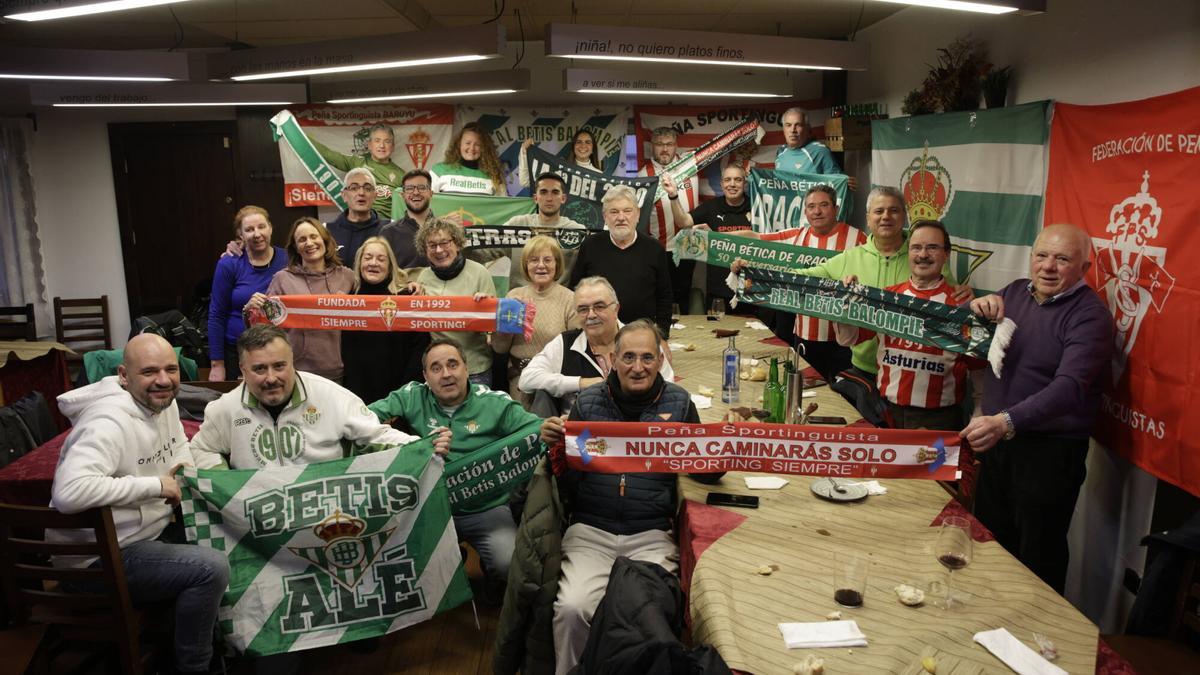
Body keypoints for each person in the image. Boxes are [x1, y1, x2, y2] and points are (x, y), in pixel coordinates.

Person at [536, 320, 720, 675]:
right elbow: (568, 478)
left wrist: (720, 447)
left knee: (647, 620)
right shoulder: (587, 403)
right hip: (591, 531)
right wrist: (555, 447)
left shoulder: (679, 402)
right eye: (629, 357)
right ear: (613, 360)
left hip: (650, 534)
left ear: (661, 358)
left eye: (648, 357)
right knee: (572, 610)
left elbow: (704, 469)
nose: (639, 367)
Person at [50, 334, 229, 675]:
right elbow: (68, 492)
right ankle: (194, 667)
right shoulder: (106, 423)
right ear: (123, 375)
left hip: (144, 537)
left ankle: (198, 644)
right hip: (97, 561)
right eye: (149, 371)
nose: (163, 380)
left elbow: (178, 449)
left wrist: (188, 470)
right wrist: (154, 485)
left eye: (170, 369)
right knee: (211, 568)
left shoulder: (163, 401)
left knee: (223, 534)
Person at [961, 223, 1113, 593]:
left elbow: (1069, 388)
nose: (1048, 266)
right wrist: (975, 310)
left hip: (1048, 454)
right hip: (999, 444)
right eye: (1041, 255)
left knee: (1036, 558)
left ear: (1084, 269)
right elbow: (972, 342)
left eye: (1062, 259)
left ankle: (1036, 643)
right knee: (991, 543)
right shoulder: (1014, 292)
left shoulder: (1090, 316)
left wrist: (1004, 421)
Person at [367, 339, 542, 595]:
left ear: (466, 368)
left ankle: (490, 573)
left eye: (453, 365)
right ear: (425, 376)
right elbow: (364, 420)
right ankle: (449, 556)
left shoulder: (495, 402)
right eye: (436, 368)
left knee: (508, 564)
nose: (446, 374)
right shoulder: (412, 395)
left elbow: (536, 431)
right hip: (430, 507)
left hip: (487, 508)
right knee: (401, 565)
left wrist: (555, 427)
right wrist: (414, 444)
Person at [190, 324, 445, 470]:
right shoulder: (224, 409)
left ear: (292, 362)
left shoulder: (331, 396)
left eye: (279, 366)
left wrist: (421, 445)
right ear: (243, 371)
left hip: (324, 517)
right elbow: (202, 449)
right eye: (259, 369)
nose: (271, 378)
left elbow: (376, 437)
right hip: (257, 524)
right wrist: (225, 481)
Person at [835, 220, 984, 430]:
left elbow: (979, 369)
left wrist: (979, 411)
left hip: (939, 420)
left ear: (946, 254)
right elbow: (848, 339)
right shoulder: (887, 297)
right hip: (886, 412)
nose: (923, 255)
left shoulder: (961, 306)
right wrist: (846, 304)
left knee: (931, 465)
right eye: (916, 247)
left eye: (932, 247)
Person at [729, 185, 867, 382]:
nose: (817, 211)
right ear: (805, 211)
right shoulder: (796, 236)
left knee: (844, 395)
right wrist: (711, 236)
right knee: (809, 391)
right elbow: (756, 238)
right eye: (811, 206)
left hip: (845, 339)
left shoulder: (858, 239)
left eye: (823, 205)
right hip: (806, 335)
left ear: (836, 209)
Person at [519, 277, 674, 415]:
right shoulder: (565, 344)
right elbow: (527, 379)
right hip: (579, 434)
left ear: (616, 309)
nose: (591, 315)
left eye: (599, 306)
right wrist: (580, 383)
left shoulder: (642, 340)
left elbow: (669, 390)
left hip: (635, 431)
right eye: (583, 309)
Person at [246, 217, 355, 381]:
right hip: (296, 371)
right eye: (302, 240)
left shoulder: (347, 276)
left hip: (337, 371)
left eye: (313, 236)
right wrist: (250, 310)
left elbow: (377, 295)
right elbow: (263, 328)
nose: (309, 243)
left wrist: (407, 285)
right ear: (296, 248)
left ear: (324, 240)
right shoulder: (282, 279)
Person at [569, 185, 673, 337]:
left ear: (637, 214)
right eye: (614, 211)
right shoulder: (590, 246)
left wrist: (663, 336)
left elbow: (665, 297)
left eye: (627, 211)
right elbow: (575, 290)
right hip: (598, 333)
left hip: (643, 334)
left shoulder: (654, 248)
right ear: (605, 217)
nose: (621, 217)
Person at [492, 236, 578, 405]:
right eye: (534, 260)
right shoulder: (513, 296)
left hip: (555, 383)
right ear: (526, 265)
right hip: (519, 378)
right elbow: (499, 348)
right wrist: (507, 325)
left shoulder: (570, 299)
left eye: (547, 260)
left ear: (557, 264)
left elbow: (575, 350)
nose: (541, 265)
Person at [341, 237, 428, 405]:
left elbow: (419, 353)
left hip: (399, 398)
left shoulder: (406, 299)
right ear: (359, 263)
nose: (373, 263)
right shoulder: (347, 301)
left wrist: (402, 398)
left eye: (381, 259)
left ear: (390, 266)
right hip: (355, 398)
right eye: (368, 258)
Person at [207, 205, 286, 382]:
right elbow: (216, 315)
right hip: (237, 351)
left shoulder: (288, 260)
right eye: (249, 230)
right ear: (240, 235)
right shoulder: (229, 263)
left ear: (271, 228)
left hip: (278, 350)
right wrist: (217, 365)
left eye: (261, 227)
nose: (257, 234)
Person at [415, 218, 498, 385]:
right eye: (432, 245)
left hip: (474, 368)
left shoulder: (480, 273)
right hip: (438, 370)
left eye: (445, 243)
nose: (439, 250)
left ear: (457, 244)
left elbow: (494, 327)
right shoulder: (423, 276)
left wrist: (485, 307)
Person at [663, 164, 751, 307]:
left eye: (738, 180)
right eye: (728, 180)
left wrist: (715, 237)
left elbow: (761, 238)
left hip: (750, 289)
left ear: (744, 183)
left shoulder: (757, 207)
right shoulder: (711, 207)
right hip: (718, 292)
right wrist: (673, 196)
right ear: (722, 185)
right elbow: (683, 222)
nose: (732, 184)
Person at [638, 126, 699, 311]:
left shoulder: (691, 166)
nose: (664, 149)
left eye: (669, 144)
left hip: (687, 246)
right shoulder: (643, 174)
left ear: (676, 146)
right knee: (659, 297)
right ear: (652, 146)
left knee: (683, 296)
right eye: (659, 144)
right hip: (657, 248)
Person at [502, 172, 586, 289]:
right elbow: (482, 251)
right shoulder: (516, 224)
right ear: (535, 198)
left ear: (563, 198)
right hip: (519, 301)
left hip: (560, 302)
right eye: (543, 192)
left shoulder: (577, 231)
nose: (549, 198)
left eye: (555, 192)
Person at [310, 122, 405, 215]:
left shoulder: (401, 175)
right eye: (377, 141)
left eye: (387, 141)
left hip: (388, 226)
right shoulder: (357, 162)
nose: (382, 146)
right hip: (361, 221)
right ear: (369, 145)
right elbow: (328, 154)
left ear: (393, 147)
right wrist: (297, 136)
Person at [325, 167, 386, 266]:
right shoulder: (326, 231)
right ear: (344, 195)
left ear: (375, 195)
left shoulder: (390, 229)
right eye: (354, 188)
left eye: (367, 188)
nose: (361, 193)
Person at [379, 169, 436, 269]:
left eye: (422, 187)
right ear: (403, 195)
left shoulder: (445, 231)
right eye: (409, 188)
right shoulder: (388, 233)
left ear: (431, 194)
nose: (416, 192)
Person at [431, 122, 506, 196]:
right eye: (468, 143)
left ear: (484, 148)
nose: (472, 148)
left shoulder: (494, 177)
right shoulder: (438, 171)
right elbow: (425, 202)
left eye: (477, 144)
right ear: (459, 145)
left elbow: (502, 206)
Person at [517, 128, 605, 188]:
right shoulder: (560, 170)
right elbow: (525, 181)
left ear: (593, 149)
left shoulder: (599, 176)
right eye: (579, 142)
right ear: (573, 147)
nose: (583, 145)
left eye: (588, 142)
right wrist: (525, 153)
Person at [776, 107, 842, 176]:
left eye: (798, 125)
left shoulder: (820, 151)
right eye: (788, 125)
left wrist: (847, 183)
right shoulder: (781, 151)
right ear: (783, 129)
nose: (793, 130)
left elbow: (836, 183)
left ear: (807, 129)